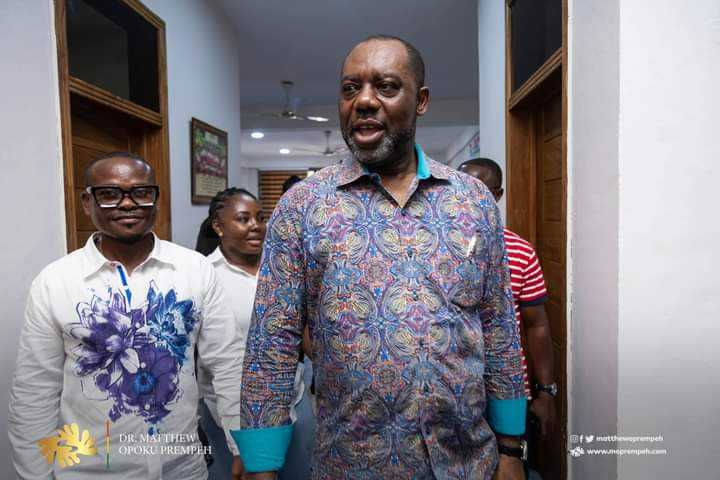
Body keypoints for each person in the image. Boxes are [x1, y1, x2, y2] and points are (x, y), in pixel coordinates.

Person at [232, 35, 526, 480]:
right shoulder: (303, 206)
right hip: (352, 464)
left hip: (468, 461)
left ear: (420, 100)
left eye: (386, 87)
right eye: (350, 89)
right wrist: (261, 466)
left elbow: (499, 326)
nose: (364, 101)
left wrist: (511, 448)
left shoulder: (473, 201)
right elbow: (271, 344)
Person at [8, 152, 244, 479]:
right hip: (88, 471)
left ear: (156, 199)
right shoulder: (55, 282)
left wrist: (243, 447)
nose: (128, 203)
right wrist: (36, 474)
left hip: (183, 467)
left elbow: (228, 364)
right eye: (109, 194)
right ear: (87, 202)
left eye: (141, 192)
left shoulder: (195, 270)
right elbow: (35, 390)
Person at [458, 157, 558, 471]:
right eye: (462, 189)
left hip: (509, 393)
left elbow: (537, 325)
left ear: (498, 195)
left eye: (481, 190)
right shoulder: (432, 248)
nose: (469, 199)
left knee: (510, 467)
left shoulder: (520, 251)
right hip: (454, 390)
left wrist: (546, 392)